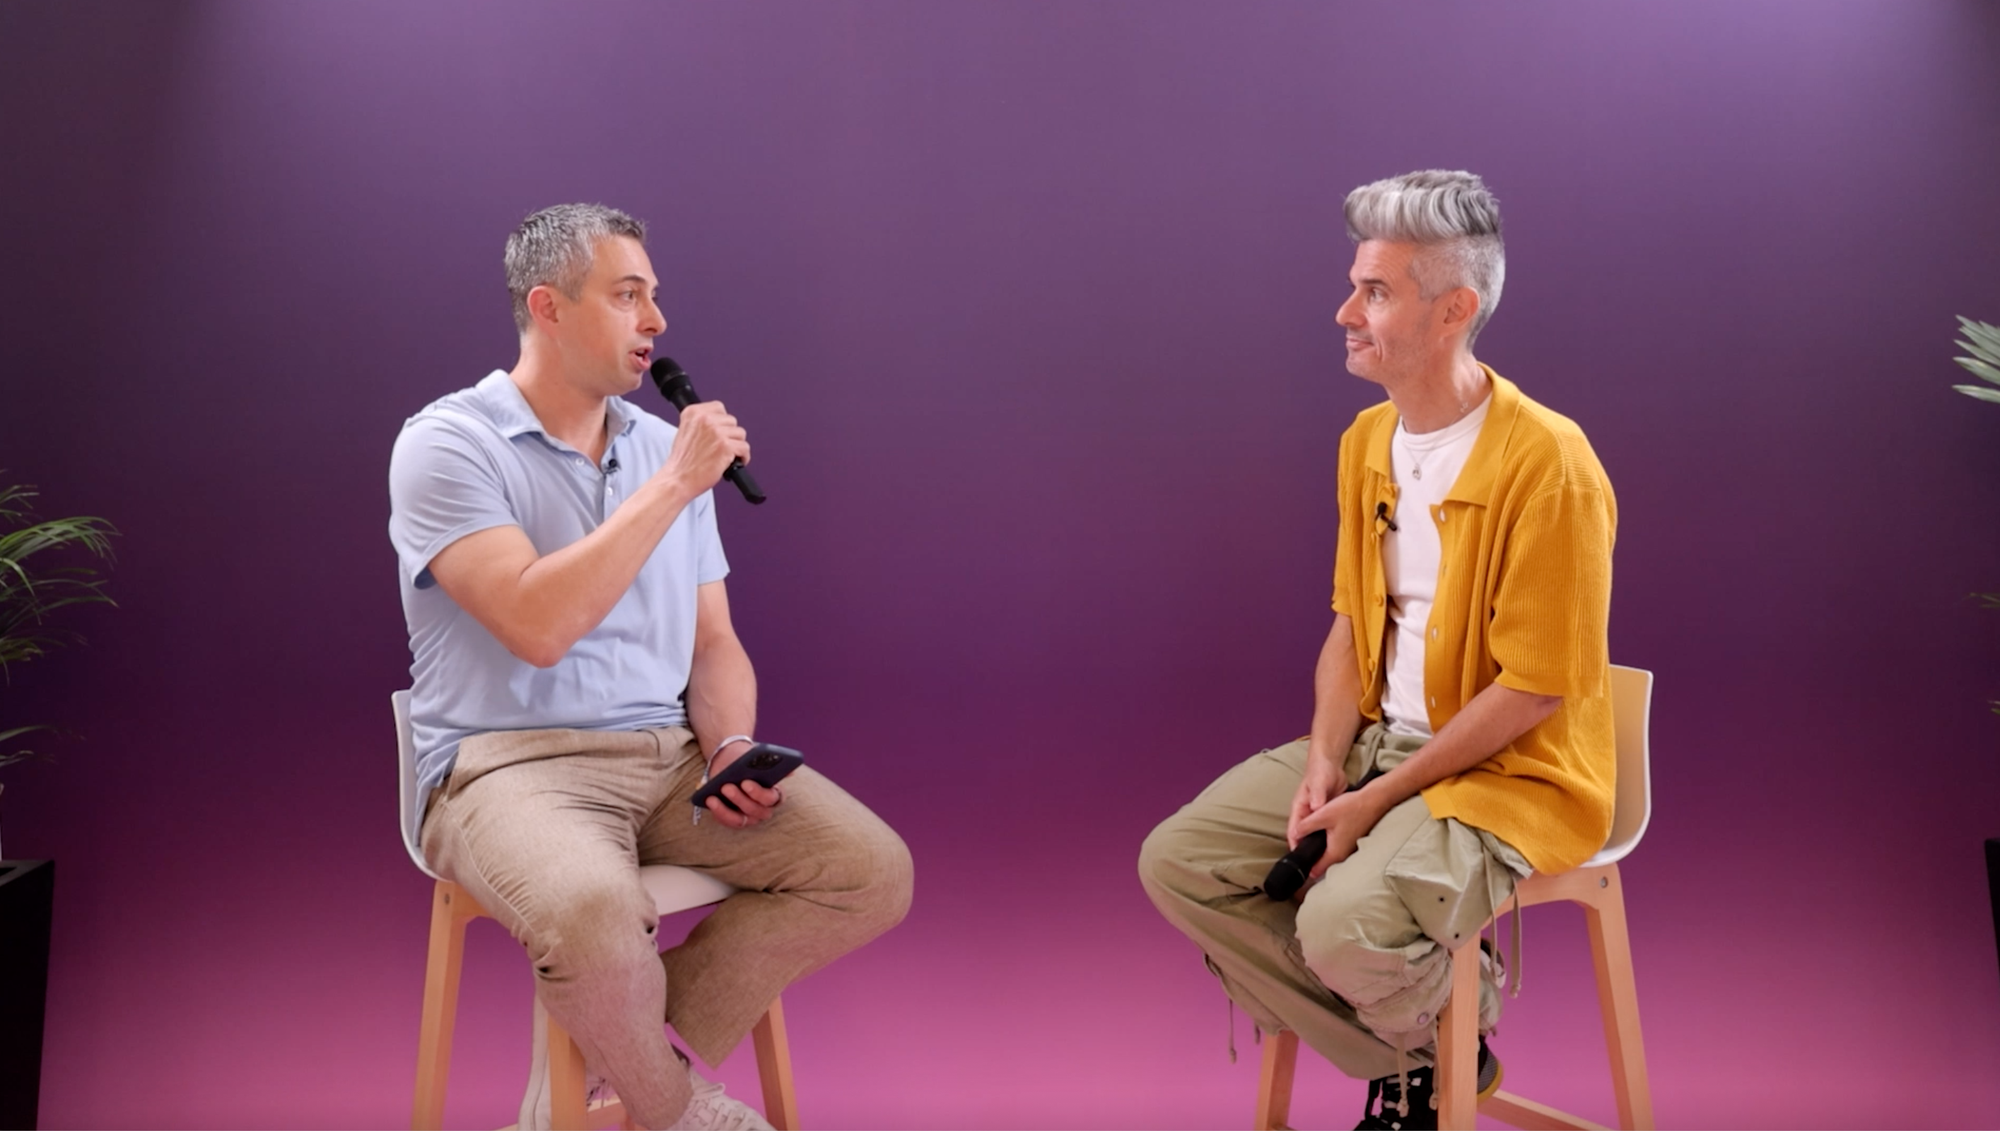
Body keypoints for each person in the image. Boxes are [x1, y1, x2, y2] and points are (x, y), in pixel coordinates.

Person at [388, 204, 913, 1131]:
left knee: (869, 869)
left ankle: (609, 1047)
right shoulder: (447, 444)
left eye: (655, 296)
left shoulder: (662, 451)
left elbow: (713, 644)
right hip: (505, 768)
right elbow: (536, 625)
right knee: (596, 906)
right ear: (548, 307)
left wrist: (730, 745)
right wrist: (673, 484)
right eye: (628, 295)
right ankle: (674, 1107)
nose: (657, 321)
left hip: (667, 760)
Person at [1138, 170, 1617, 1131]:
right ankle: (1432, 1049)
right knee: (1180, 861)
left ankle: (1434, 1033)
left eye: (1376, 292)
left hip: (1507, 773)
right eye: (1355, 285)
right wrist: (1326, 762)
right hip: (1373, 747)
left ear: (1453, 311)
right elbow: (1352, 627)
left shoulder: (1551, 464)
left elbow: (1533, 691)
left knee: (1338, 922)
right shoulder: (1367, 442)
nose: (1345, 312)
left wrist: (1374, 800)